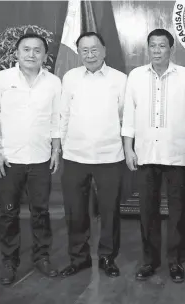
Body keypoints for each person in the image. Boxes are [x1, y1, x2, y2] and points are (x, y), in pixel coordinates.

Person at [122, 29, 185, 283]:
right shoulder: (135, 76)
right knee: (147, 211)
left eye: (162, 46)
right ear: (148, 48)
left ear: (171, 49)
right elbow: (129, 117)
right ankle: (149, 260)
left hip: (177, 154)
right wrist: (128, 148)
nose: (157, 50)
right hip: (145, 153)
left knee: (178, 211)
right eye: (152, 46)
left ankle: (176, 262)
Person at [0, 33, 61, 285]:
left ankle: (42, 257)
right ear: (16, 54)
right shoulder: (1, 79)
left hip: (40, 158)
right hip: (8, 159)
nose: (31, 54)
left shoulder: (53, 83)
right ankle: (9, 261)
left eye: (37, 50)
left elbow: (56, 121)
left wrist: (56, 150)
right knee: (8, 213)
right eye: (25, 49)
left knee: (41, 212)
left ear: (45, 56)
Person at [59, 32, 127, 278]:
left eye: (94, 49)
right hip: (75, 155)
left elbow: (124, 118)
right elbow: (63, 115)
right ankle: (79, 258)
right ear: (79, 53)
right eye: (84, 50)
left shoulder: (120, 80)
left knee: (109, 212)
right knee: (75, 211)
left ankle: (108, 257)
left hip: (110, 156)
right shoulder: (69, 78)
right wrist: (60, 147)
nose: (90, 54)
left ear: (104, 50)